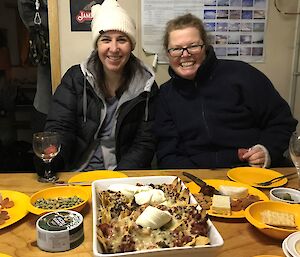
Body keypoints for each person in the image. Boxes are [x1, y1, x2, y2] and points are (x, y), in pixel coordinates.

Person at [154, 13, 297, 169]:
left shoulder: (242, 75)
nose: (185, 54)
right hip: (197, 175)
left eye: (193, 46)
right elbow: (167, 157)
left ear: (206, 47)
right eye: (176, 49)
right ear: (168, 53)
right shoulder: (166, 95)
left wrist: (266, 150)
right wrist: (231, 157)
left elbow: (282, 121)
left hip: (252, 171)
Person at [44, 0, 158, 172]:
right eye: (106, 40)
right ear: (97, 45)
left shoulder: (147, 87)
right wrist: (53, 161)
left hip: (123, 176)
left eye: (122, 40)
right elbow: (60, 128)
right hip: (77, 173)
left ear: (131, 45)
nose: (114, 48)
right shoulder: (75, 79)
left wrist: (118, 182)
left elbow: (144, 143)